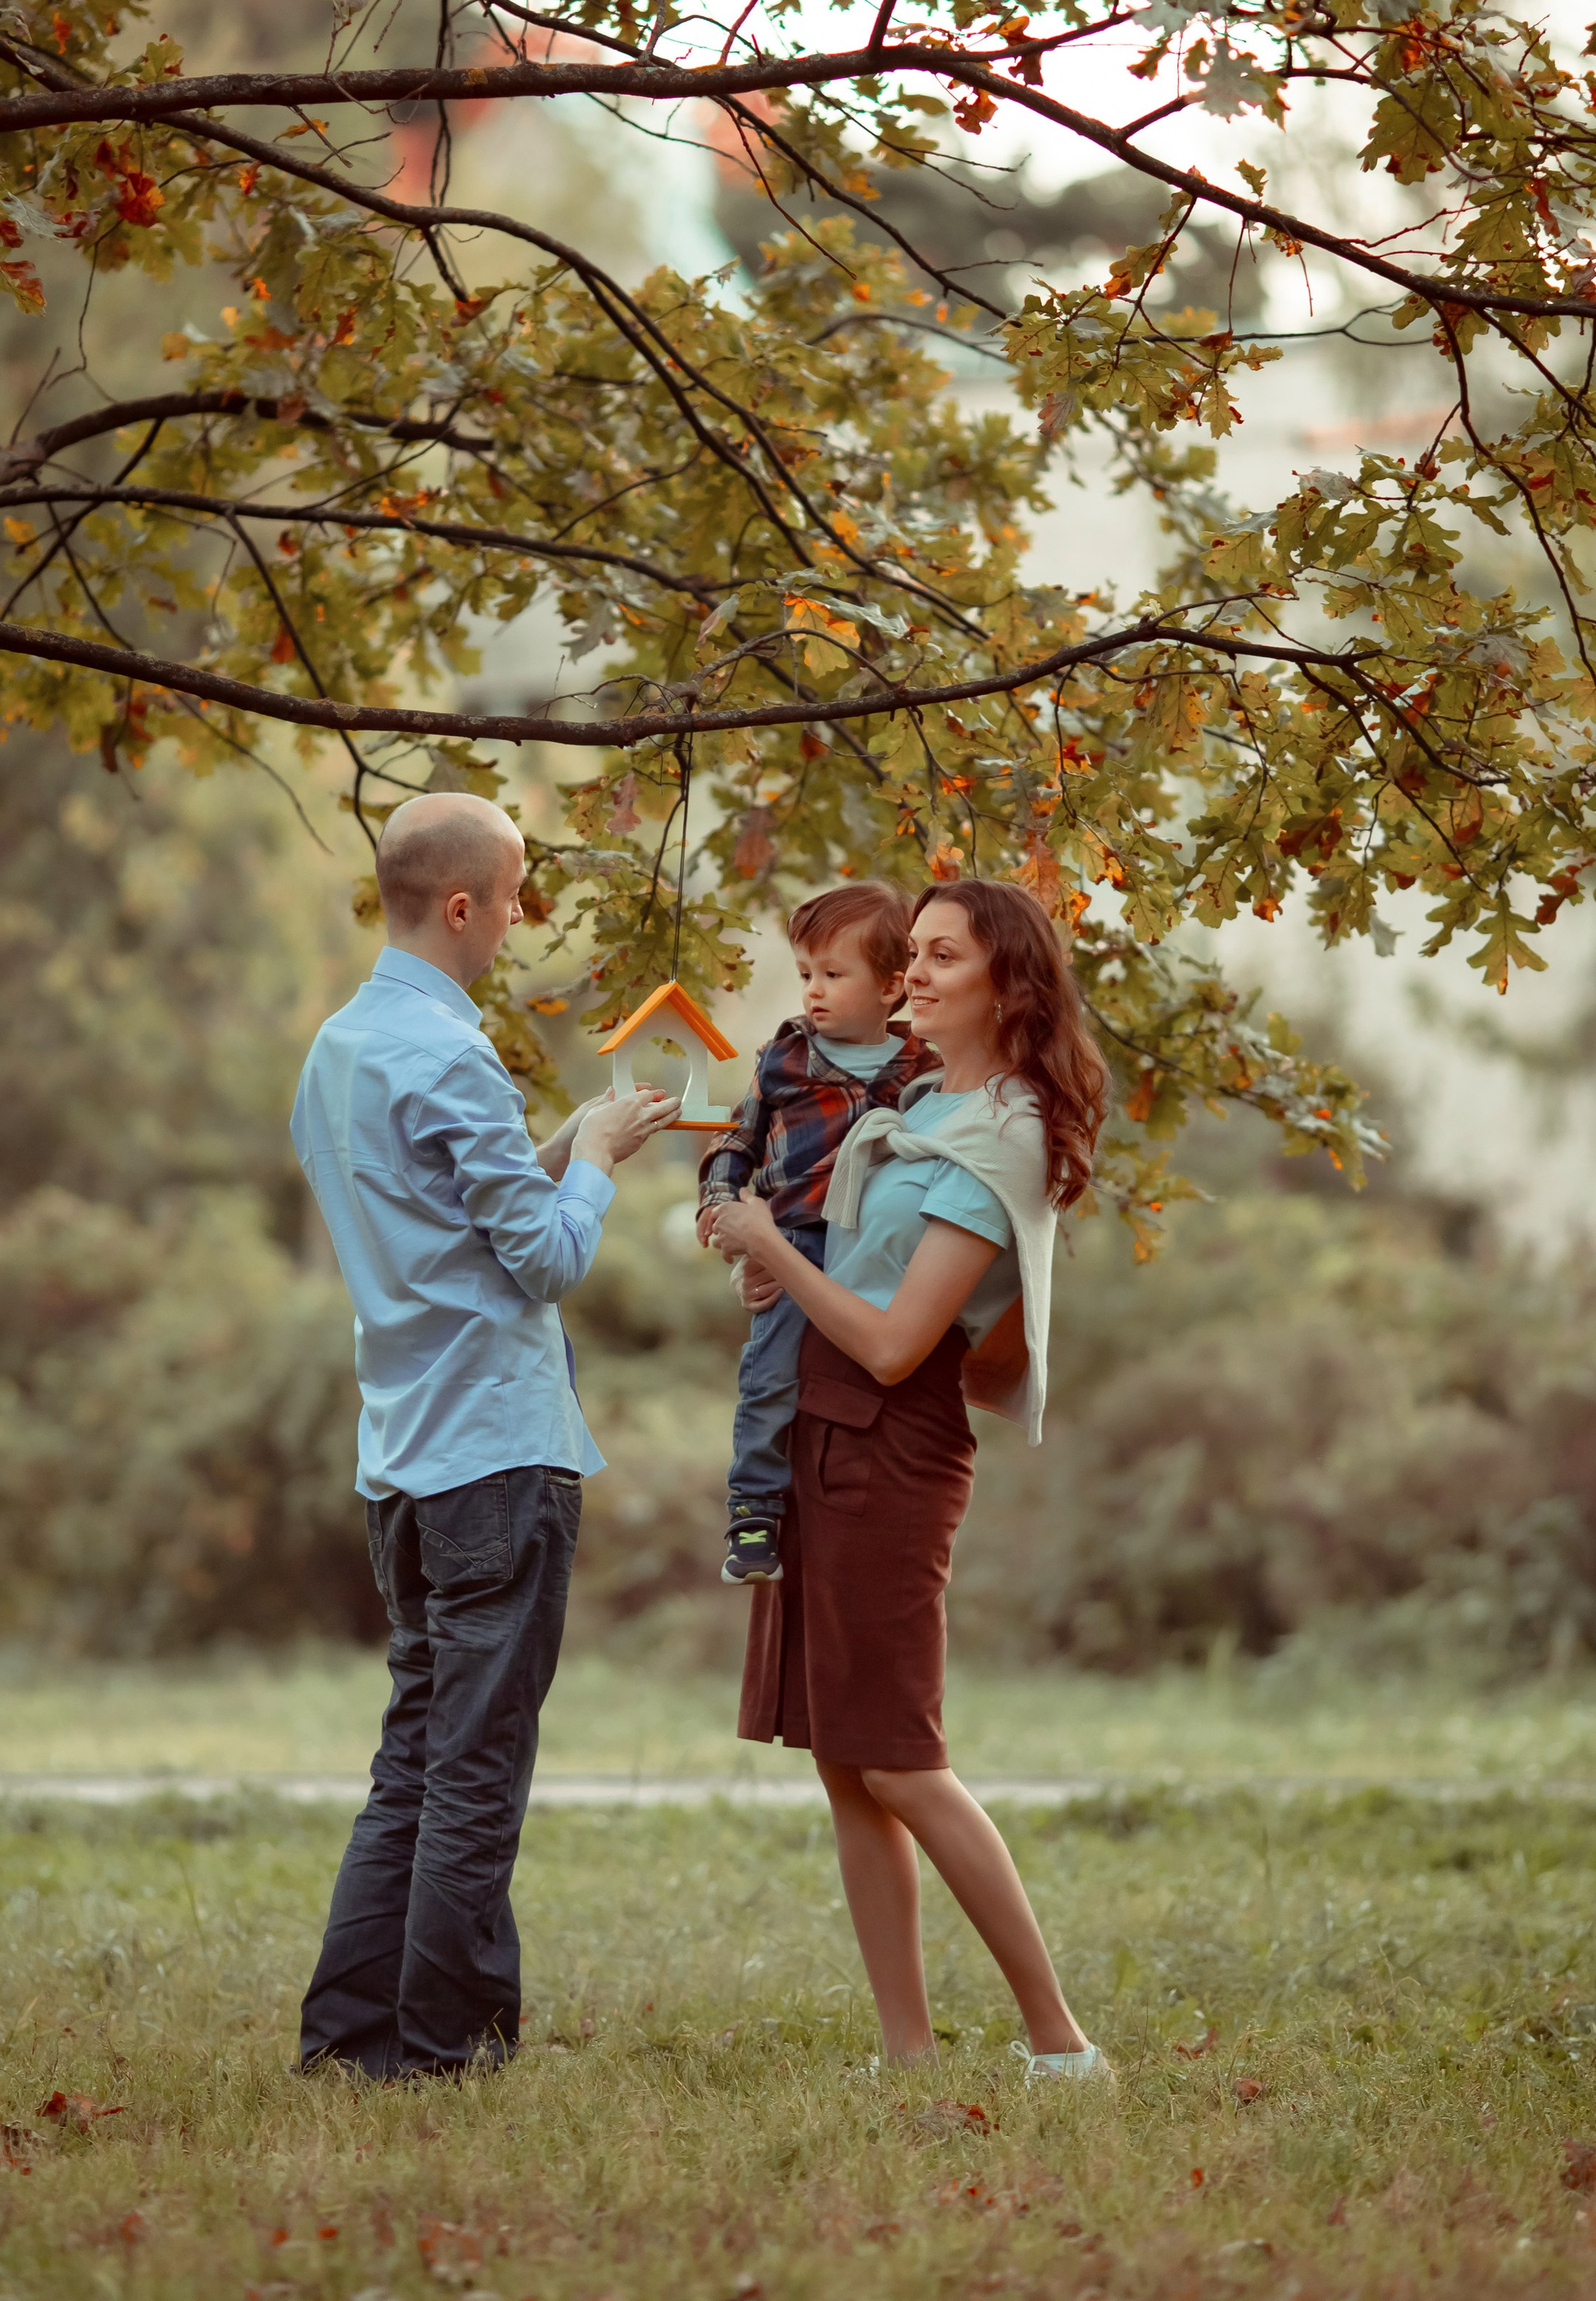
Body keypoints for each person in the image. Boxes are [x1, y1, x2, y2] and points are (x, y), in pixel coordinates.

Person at [289, 791, 677, 2079]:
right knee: (474, 1769)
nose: (521, 919)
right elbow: (545, 1256)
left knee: (414, 1756)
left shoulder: (340, 1050)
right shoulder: (451, 1056)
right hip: (494, 1459)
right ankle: (444, 2048)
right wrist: (604, 1162)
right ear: (462, 906)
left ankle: (349, 2040)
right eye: (514, 897)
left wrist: (573, 1137)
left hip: (400, 1456)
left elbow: (459, 1213)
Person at [706, 875, 1111, 2079]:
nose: (916, 974)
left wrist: (774, 1242)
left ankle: (1062, 2044)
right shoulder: (931, 1096)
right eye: (915, 954)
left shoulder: (1010, 1132)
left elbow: (895, 1341)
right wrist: (775, 1270)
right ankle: (909, 2055)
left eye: (942, 956)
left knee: (901, 1758)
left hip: (889, 1440)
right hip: (819, 1430)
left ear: (1008, 980)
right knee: (846, 1761)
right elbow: (854, 1278)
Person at [696, 883, 933, 1585]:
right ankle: (753, 1507)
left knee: (853, 1380)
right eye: (806, 974)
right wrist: (720, 1197)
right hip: (796, 1235)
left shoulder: (923, 1066)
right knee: (770, 1371)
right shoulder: (785, 1057)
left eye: (834, 974)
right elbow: (736, 1136)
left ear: (893, 986)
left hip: (871, 1239)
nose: (814, 992)